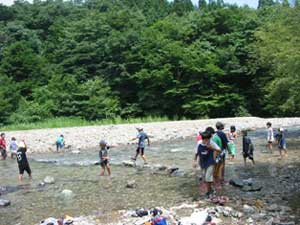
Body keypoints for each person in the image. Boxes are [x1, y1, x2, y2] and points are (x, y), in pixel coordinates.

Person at [195, 131, 221, 198]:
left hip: (210, 162)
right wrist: (194, 161)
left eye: (208, 139)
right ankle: (211, 189)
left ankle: (208, 192)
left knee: (208, 177)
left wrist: (211, 148)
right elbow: (196, 152)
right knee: (204, 178)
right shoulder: (199, 143)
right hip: (202, 163)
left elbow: (219, 150)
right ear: (202, 139)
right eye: (205, 140)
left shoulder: (212, 143)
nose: (207, 141)